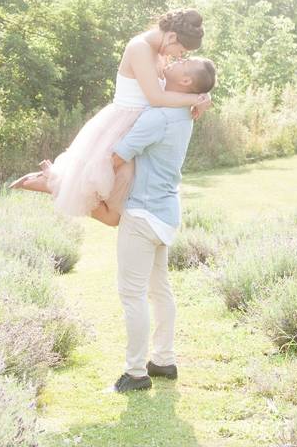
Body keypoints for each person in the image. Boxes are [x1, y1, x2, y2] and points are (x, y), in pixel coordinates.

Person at [9, 9, 211, 222]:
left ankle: (56, 180)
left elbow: (180, 85)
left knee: (115, 214)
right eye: (181, 49)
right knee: (111, 212)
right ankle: (54, 183)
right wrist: (193, 100)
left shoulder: (160, 52)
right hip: (120, 127)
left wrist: (202, 95)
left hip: (137, 131)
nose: (179, 56)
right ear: (171, 37)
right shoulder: (139, 48)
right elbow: (155, 97)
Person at [104, 56, 217, 393]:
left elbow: (117, 156)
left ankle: (136, 373)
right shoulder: (184, 111)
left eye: (184, 63)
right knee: (158, 288)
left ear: (185, 83)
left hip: (142, 214)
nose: (176, 61)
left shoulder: (159, 117)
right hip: (165, 213)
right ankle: (164, 360)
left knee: (132, 295)